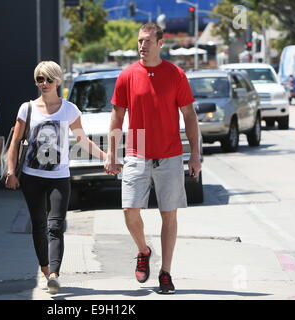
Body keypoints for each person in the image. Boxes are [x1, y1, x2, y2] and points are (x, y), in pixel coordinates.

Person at [105, 23, 201, 294]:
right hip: (137, 150)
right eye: (139, 41)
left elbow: (190, 116)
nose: (142, 46)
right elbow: (117, 116)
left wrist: (195, 154)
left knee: (168, 216)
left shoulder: (176, 74)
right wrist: (112, 153)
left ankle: (166, 273)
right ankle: (143, 250)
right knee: (129, 210)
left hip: (170, 153)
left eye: (147, 41)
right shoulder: (127, 75)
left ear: (161, 43)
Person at [5, 61, 107, 294]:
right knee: (38, 224)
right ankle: (44, 267)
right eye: (39, 79)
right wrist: (11, 171)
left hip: (59, 177)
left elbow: (83, 140)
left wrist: (105, 156)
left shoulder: (69, 109)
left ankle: (54, 274)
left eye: (48, 79)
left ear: (58, 81)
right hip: (31, 176)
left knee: (55, 225)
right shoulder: (27, 108)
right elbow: (15, 141)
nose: (44, 84)